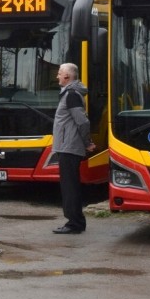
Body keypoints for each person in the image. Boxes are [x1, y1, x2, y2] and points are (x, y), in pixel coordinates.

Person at [52, 63, 96, 234]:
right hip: (67, 146)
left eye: (59, 73)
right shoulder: (69, 94)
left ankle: (75, 223)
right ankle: (74, 221)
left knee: (70, 187)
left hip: (69, 147)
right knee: (69, 185)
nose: (57, 76)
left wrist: (87, 142)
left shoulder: (71, 95)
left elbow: (83, 121)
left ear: (67, 77)